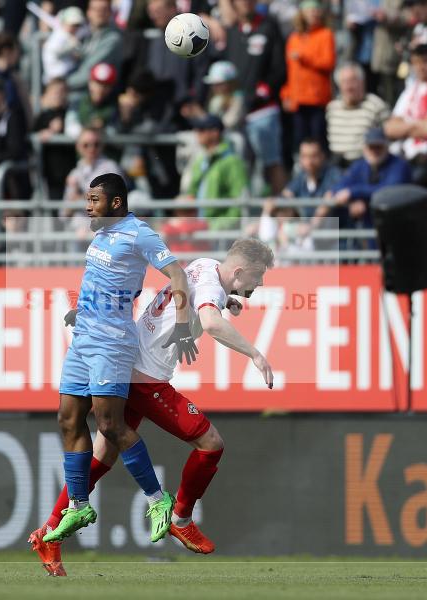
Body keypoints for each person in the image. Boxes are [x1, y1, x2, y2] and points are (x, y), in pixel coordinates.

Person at [30, 239, 276, 575]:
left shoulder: (205, 265)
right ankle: (181, 517)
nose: (260, 284)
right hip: (147, 380)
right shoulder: (211, 289)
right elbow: (212, 322)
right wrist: (256, 354)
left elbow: (200, 299)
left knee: (102, 458)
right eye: (259, 276)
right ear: (240, 271)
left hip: (128, 365)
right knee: (211, 445)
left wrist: (224, 301)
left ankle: (47, 533)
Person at [42, 172, 197, 545]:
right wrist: (81, 311)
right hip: (83, 338)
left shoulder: (139, 233)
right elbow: (102, 278)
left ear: (115, 202)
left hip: (112, 343)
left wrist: (181, 325)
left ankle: (158, 501)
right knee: (68, 418)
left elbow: (176, 273)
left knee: (110, 425)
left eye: (94, 199)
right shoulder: (102, 232)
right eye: (87, 199)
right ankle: (78, 504)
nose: (87, 206)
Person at [225, 0, 288, 194]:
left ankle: (282, 210)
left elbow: (280, 68)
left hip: (263, 110)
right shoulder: (233, 32)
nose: (247, 3)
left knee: (272, 161)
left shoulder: (269, 26)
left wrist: (265, 90)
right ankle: (243, 213)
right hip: (237, 111)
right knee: (240, 165)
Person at [316, 128, 413, 230]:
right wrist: (352, 202)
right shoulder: (361, 165)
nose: (375, 151)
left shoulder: (399, 165)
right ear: (365, 148)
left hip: (397, 225)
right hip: (370, 227)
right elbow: (339, 187)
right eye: (371, 147)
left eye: (378, 147)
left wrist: (353, 193)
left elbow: (388, 191)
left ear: (386, 146)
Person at [280, 0, 336, 152]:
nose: (314, 14)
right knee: (300, 140)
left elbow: (328, 63)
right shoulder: (294, 38)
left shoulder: (325, 34)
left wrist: (305, 58)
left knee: (318, 139)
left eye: (316, 11)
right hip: (298, 99)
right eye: (310, 11)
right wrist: (286, 93)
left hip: (316, 98)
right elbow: (289, 70)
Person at [183, 115, 249, 231]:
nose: (197, 133)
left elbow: (239, 202)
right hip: (200, 229)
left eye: (202, 130)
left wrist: (217, 227)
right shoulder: (200, 160)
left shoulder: (232, 162)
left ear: (215, 133)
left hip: (219, 234)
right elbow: (192, 193)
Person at [325, 63, 391, 168]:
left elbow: (388, 136)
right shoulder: (332, 108)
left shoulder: (376, 105)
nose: (349, 86)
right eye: (344, 82)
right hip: (335, 164)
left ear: (362, 82)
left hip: (365, 164)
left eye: (353, 81)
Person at [66, 0, 124, 97]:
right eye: (95, 9)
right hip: (76, 92)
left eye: (103, 10)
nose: (99, 13)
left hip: (95, 98)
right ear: (88, 12)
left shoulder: (113, 38)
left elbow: (88, 72)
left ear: (110, 13)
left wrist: (63, 83)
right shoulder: (86, 34)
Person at [282, 138, 340, 213]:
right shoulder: (301, 176)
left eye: (313, 156)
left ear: (322, 156)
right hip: (308, 223)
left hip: (336, 224)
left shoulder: (333, 174)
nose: (309, 162)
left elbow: (329, 199)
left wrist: (312, 224)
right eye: (304, 156)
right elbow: (286, 194)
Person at [65, 62, 119, 138]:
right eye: (98, 83)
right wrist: (91, 128)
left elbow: (114, 131)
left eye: (106, 85)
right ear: (90, 83)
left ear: (111, 87)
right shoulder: (77, 101)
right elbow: (70, 129)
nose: (101, 88)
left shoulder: (115, 105)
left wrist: (101, 129)